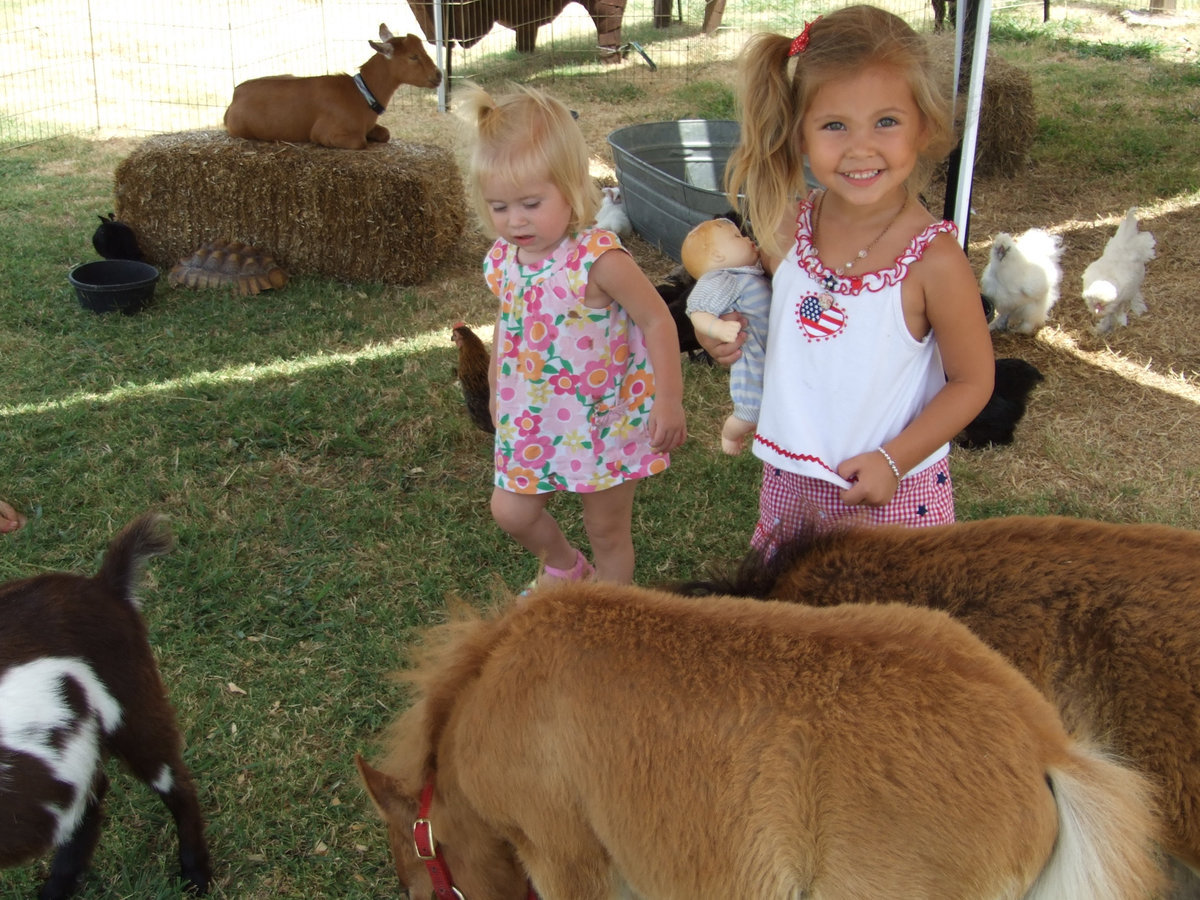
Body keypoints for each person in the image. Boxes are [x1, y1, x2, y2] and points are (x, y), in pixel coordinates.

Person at [707, 5, 994, 556]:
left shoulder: (933, 259)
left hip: (894, 494)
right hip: (791, 479)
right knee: (795, 622)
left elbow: (973, 382)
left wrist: (895, 459)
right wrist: (728, 336)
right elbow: (777, 326)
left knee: (889, 635)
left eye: (886, 122)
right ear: (800, 136)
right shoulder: (788, 229)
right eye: (835, 125)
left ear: (924, 127)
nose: (861, 148)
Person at [462, 83, 688, 588]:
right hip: (531, 415)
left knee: (606, 530)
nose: (515, 220)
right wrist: (499, 388)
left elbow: (657, 320)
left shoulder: (598, 259)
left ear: (570, 187)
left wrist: (668, 400)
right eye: (499, 207)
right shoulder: (503, 259)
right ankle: (564, 566)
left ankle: (610, 616)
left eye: (531, 203)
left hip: (602, 420)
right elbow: (508, 322)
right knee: (512, 511)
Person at [681, 218, 770, 455]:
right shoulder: (722, 278)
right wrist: (718, 329)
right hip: (751, 354)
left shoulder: (747, 275)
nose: (748, 238)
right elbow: (698, 311)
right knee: (752, 409)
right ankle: (730, 434)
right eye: (738, 237)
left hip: (765, 348)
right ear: (718, 256)